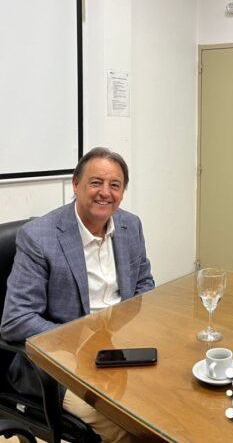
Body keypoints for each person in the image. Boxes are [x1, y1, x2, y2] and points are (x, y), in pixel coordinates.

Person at [1, 147, 155, 443]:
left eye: (115, 185)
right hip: (60, 362)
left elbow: (144, 284)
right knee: (130, 427)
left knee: (169, 405)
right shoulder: (39, 237)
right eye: (96, 182)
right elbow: (16, 320)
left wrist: (130, 334)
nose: (105, 193)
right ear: (76, 185)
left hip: (119, 350)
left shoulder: (130, 225)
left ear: (123, 192)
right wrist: (83, 339)